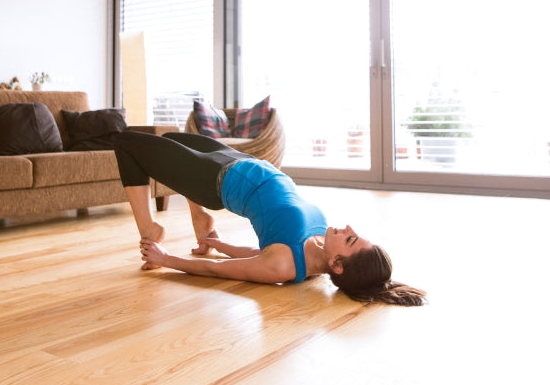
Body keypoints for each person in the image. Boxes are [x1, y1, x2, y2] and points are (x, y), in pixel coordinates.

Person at [113, 130, 426, 306]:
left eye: (351, 239)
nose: (348, 228)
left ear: (338, 265)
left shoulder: (284, 266)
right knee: (172, 137)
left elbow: (219, 271)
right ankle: (200, 218)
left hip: (215, 180)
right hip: (243, 162)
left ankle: (149, 229)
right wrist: (221, 243)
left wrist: (166, 259)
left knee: (124, 142)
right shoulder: (314, 258)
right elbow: (256, 254)